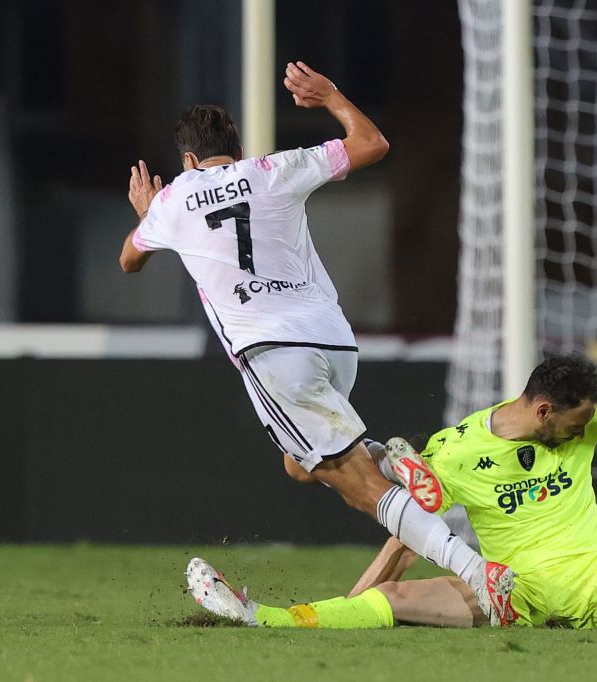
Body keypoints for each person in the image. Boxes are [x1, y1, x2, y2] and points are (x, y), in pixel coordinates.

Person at [118, 61, 515, 625]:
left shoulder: (173, 199)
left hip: (272, 353)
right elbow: (372, 143)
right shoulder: (275, 169)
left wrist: (146, 216)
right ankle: (392, 462)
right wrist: (329, 95)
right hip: (332, 341)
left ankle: (476, 571)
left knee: (359, 489)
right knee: (300, 466)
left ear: (187, 159)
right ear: (234, 147)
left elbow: (130, 261)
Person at [186, 354, 597, 631]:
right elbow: (408, 535)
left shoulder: (596, 415)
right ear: (542, 410)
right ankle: (266, 618)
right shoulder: (457, 450)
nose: (586, 432)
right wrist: (358, 599)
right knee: (396, 606)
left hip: (595, 576)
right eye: (575, 423)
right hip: (509, 590)